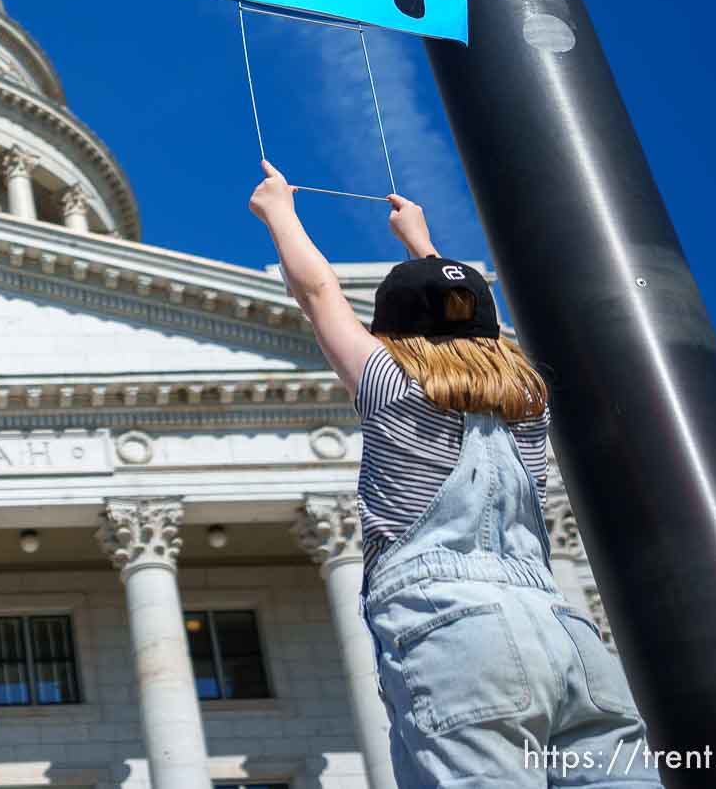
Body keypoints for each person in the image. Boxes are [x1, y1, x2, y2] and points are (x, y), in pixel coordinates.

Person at [248, 160, 659, 788]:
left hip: (454, 629)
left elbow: (319, 293)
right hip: (566, 634)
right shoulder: (527, 394)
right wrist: (423, 243)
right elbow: (475, 322)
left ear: (392, 332)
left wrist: (280, 212)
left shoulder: (391, 384)